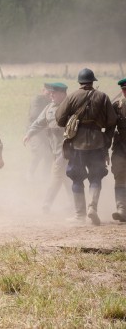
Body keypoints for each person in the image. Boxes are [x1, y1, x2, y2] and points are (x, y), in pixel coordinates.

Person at [55, 68, 116, 225]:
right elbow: (111, 121)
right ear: (92, 81)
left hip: (77, 144)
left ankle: (79, 214)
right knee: (96, 176)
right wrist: (106, 139)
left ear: (80, 82)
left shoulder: (72, 97)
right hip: (97, 143)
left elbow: (60, 119)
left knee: (76, 177)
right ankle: (92, 208)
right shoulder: (102, 97)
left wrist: (72, 121)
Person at [23, 83, 71, 213]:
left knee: (56, 175)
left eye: (54, 93)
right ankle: (75, 203)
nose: (51, 95)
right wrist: (29, 134)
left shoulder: (70, 106)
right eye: (50, 93)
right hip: (55, 149)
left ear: (62, 94)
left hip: (67, 149)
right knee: (65, 177)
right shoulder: (49, 108)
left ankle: (47, 203)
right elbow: (39, 122)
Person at [26, 86, 53, 181]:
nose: (50, 94)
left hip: (47, 132)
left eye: (51, 92)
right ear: (43, 90)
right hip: (35, 131)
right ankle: (30, 173)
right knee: (39, 152)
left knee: (49, 155)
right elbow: (35, 116)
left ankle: (45, 177)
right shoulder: (37, 100)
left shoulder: (52, 101)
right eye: (48, 91)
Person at [109, 78, 126, 222]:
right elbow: (109, 128)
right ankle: (121, 209)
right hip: (121, 148)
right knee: (120, 177)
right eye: (124, 90)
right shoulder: (117, 106)